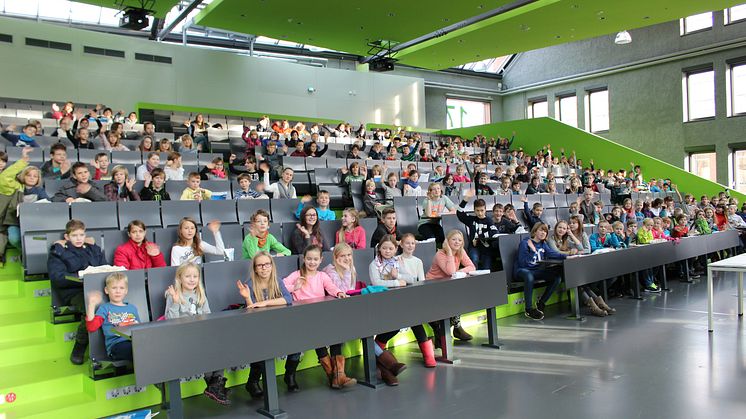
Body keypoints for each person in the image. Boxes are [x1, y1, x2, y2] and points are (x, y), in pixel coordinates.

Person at [282, 245, 354, 391]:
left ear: (321, 260)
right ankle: (291, 375)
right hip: (302, 318)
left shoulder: (322, 276)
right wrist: (294, 288)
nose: (312, 262)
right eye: (309, 259)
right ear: (304, 259)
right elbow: (281, 286)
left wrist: (339, 292)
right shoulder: (297, 275)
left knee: (336, 336)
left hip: (320, 316)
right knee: (311, 340)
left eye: (315, 259)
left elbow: (332, 287)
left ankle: (337, 375)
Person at [164, 263, 230, 404]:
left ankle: (215, 384)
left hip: (200, 334)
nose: (192, 279)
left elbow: (207, 316)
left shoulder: (200, 294)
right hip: (182, 336)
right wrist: (175, 303)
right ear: (179, 278)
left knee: (220, 344)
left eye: (195, 276)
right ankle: (214, 386)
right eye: (188, 276)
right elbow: (170, 322)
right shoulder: (174, 295)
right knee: (204, 349)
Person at [48, 220, 106, 364]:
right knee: (93, 309)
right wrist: (80, 277)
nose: (79, 238)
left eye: (81, 235)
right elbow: (57, 278)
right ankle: (79, 347)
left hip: (97, 288)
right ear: (67, 237)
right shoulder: (58, 252)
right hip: (74, 291)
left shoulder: (93, 249)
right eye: (74, 235)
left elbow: (104, 266)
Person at [236, 252, 293, 399]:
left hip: (277, 324)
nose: (264, 268)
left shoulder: (277, 281)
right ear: (255, 268)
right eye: (260, 265)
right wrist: (248, 298)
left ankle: (290, 375)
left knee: (295, 344)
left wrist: (265, 302)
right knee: (261, 348)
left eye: (267, 264)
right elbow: (252, 309)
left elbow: (288, 298)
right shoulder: (249, 284)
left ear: (271, 266)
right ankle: (253, 382)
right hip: (259, 327)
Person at [426, 230, 475, 341]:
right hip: (432, 286)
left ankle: (456, 327)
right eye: (454, 239)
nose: (457, 242)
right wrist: (449, 252)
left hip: (447, 285)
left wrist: (460, 272)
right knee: (452, 296)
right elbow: (450, 272)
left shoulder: (461, 252)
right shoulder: (440, 254)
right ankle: (442, 331)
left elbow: (472, 267)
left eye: (459, 240)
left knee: (460, 294)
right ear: (447, 241)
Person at [514, 223, 568, 320]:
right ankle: (529, 309)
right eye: (541, 230)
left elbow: (553, 254)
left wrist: (568, 255)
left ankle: (541, 302)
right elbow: (523, 263)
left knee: (556, 277)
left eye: (545, 231)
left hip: (535, 271)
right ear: (535, 231)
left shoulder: (543, 244)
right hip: (522, 271)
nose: (543, 233)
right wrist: (533, 250)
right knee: (529, 276)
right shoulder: (525, 243)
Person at [85, 273, 140, 361]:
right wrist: (91, 305)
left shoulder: (132, 308)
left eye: (121, 288)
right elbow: (91, 327)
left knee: (146, 346)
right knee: (136, 349)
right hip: (116, 346)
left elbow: (139, 329)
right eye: (114, 288)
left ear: (126, 290)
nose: (118, 291)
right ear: (106, 290)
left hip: (134, 342)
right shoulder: (104, 308)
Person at [457, 190, 498, 270]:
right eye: (477, 210)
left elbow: (494, 232)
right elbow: (459, 213)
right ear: (474, 210)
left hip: (486, 248)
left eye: (482, 210)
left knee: (487, 268)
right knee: (474, 260)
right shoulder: (471, 219)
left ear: (485, 210)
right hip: (474, 247)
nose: (480, 213)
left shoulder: (489, 220)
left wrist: (479, 238)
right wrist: (465, 199)